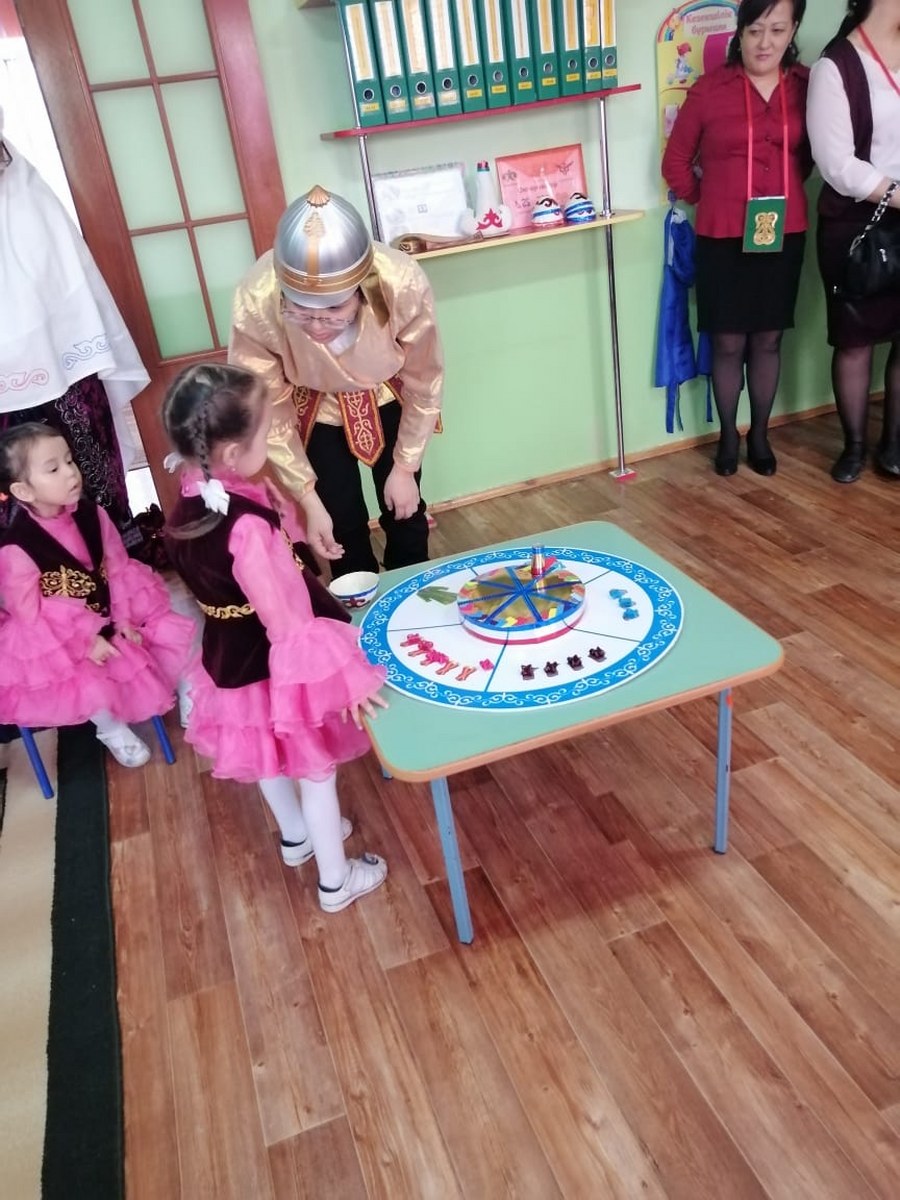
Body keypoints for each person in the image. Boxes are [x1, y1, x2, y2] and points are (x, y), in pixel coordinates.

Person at [161, 363, 390, 913]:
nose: (271, 445)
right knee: (316, 771)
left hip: (228, 658)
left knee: (264, 754)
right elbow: (289, 624)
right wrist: (343, 682)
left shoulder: (191, 496)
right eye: (265, 434)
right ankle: (335, 881)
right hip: (272, 662)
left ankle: (297, 836)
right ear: (231, 453)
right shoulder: (244, 527)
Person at [229, 185, 443, 577]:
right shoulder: (257, 297)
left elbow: (424, 379)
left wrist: (404, 467)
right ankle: (359, 604)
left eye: (334, 308)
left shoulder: (400, 281)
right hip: (315, 407)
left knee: (405, 510)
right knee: (339, 522)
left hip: (388, 396)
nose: (317, 324)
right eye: (300, 309)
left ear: (362, 288)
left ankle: (413, 592)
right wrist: (308, 500)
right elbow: (267, 406)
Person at [662, 0, 810, 477]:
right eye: (754, 30)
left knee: (768, 339)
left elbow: (812, 156)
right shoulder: (710, 90)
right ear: (740, 33)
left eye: (777, 30)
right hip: (722, 234)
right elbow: (675, 164)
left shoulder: (807, 86)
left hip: (783, 232)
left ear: (793, 31)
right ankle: (729, 434)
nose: (765, 42)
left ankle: (760, 435)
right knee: (727, 342)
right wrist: (711, 197)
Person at [0, 424, 194, 766]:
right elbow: (30, 615)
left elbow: (117, 567)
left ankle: (186, 685)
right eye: (53, 469)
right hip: (61, 637)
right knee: (83, 679)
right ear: (23, 490)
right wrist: (85, 643)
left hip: (113, 603)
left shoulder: (93, 514)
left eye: (69, 461)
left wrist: (124, 619)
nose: (70, 473)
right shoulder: (17, 547)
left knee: (163, 628)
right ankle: (111, 729)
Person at [0, 114, 150, 545]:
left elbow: (66, 282)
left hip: (62, 362)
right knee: (18, 493)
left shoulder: (26, 192)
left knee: (84, 468)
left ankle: (116, 561)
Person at [806, 0, 900, 483]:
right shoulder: (836, 65)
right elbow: (836, 163)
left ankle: (895, 443)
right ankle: (855, 447)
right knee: (855, 338)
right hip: (858, 224)